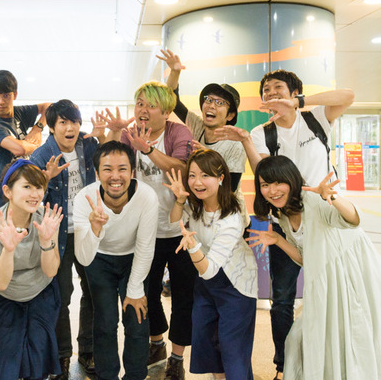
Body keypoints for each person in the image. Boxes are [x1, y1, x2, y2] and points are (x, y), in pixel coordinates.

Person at [215, 69, 354, 379]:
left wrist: (299, 103)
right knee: (281, 301)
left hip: (324, 218)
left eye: (277, 87)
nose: (270, 93)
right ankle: (284, 366)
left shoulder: (316, 118)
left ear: (294, 92)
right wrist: (246, 140)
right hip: (284, 222)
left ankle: (334, 360)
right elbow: (263, 173)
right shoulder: (262, 133)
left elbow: (348, 95)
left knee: (334, 293)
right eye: (266, 90)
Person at [248, 155, 381, 380]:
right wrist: (278, 240)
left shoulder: (313, 200)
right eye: (265, 184)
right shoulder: (282, 214)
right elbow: (305, 258)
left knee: (350, 334)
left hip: (349, 273)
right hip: (324, 278)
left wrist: (333, 197)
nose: (272, 190)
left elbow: (353, 219)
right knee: (304, 338)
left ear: (291, 180)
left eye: (278, 182)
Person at [111, 79, 194, 378]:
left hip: (180, 229)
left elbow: (182, 168)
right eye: (139, 104)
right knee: (147, 291)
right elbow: (113, 164)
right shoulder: (128, 133)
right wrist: (115, 133)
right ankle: (156, 342)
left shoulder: (178, 132)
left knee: (184, 297)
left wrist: (147, 150)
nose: (143, 110)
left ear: (166, 111)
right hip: (144, 230)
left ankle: (177, 358)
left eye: (151, 105)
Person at [30, 99, 103, 378]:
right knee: (60, 297)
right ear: (52, 127)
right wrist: (45, 179)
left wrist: (108, 134)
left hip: (86, 230)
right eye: (63, 122)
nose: (70, 128)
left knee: (93, 292)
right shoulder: (41, 156)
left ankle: (88, 350)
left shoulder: (88, 146)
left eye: (74, 121)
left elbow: (110, 163)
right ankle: (62, 355)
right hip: (57, 234)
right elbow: (31, 200)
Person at [169, 149, 258, 380]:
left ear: (220, 178)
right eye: (192, 175)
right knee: (207, 340)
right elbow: (174, 222)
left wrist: (193, 248)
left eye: (205, 175)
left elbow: (209, 270)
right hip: (206, 283)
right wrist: (180, 200)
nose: (197, 182)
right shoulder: (195, 204)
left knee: (232, 347)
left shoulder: (232, 215)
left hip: (235, 284)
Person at [74, 141, 158, 380]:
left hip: (134, 258)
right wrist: (95, 229)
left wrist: (135, 289)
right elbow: (84, 257)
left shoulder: (147, 197)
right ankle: (107, 375)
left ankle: (135, 376)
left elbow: (145, 246)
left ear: (132, 172)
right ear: (97, 173)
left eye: (122, 169)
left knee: (137, 319)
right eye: (107, 169)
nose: (115, 176)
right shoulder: (84, 199)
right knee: (105, 322)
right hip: (99, 260)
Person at [0, 160, 62, 380]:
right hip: (0, 297)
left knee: (37, 361)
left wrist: (46, 241)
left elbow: (51, 271)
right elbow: (0, 282)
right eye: (27, 186)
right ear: (7, 191)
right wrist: (8, 249)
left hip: (40, 292)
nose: (35, 194)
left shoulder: (46, 220)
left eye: (39, 187)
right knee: (5, 367)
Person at [158, 49, 249, 228]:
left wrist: (209, 158)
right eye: (209, 100)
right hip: (202, 215)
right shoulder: (198, 125)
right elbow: (173, 101)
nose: (211, 105)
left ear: (230, 115)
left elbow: (229, 189)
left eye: (220, 103)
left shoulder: (235, 143)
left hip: (230, 218)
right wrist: (175, 72)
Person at [0, 69, 51, 210]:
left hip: (27, 195)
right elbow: (20, 149)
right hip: (4, 200)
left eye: (6, 95)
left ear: (15, 95)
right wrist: (37, 144)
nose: (1, 102)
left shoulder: (19, 113)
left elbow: (49, 107)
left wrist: (37, 129)